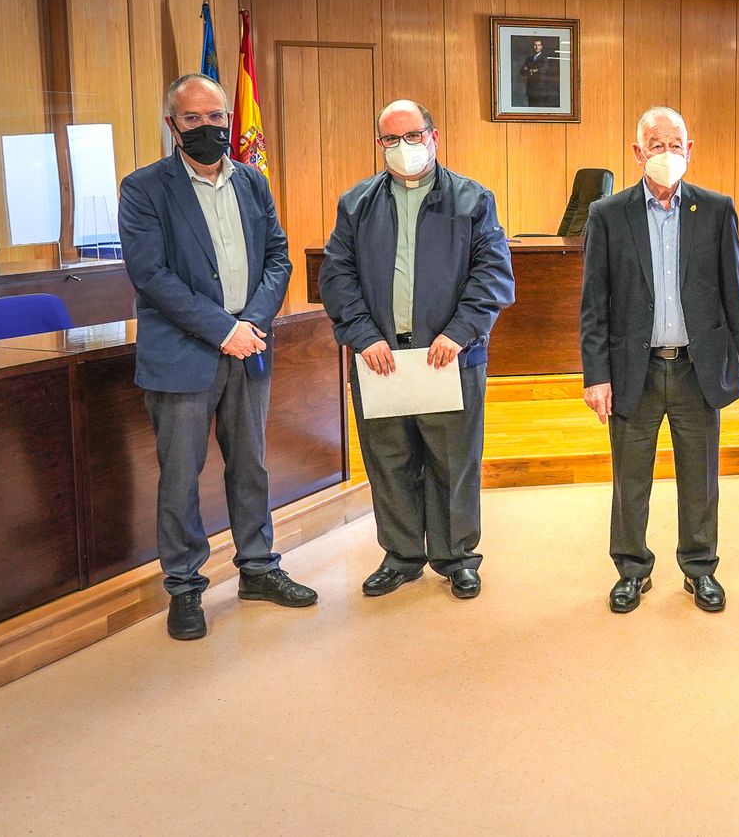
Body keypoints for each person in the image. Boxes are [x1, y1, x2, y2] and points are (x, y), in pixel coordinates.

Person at [118, 72, 316, 641]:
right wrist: (222, 328)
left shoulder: (252, 181)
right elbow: (150, 276)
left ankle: (258, 568)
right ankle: (184, 587)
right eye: (194, 119)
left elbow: (278, 255)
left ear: (230, 119)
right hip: (182, 354)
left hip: (248, 348)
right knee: (181, 477)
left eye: (216, 117)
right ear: (172, 125)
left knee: (251, 464)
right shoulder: (144, 188)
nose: (208, 127)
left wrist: (251, 322)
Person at [319, 100, 516, 600]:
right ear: (379, 144)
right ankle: (403, 554)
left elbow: (492, 275)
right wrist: (364, 336)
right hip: (381, 357)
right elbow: (336, 276)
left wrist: (460, 331)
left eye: (413, 136)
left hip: (449, 355)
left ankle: (457, 557)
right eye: (391, 139)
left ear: (434, 136)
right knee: (389, 458)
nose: (403, 147)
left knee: (454, 462)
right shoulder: (357, 203)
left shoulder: (473, 200)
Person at [580, 106, 739, 614]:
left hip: (698, 368)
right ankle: (632, 570)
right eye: (657, 145)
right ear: (638, 153)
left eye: (677, 144)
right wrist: (596, 376)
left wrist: (735, 364)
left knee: (701, 476)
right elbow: (594, 304)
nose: (668, 154)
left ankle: (699, 569)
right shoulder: (607, 214)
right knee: (631, 478)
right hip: (636, 369)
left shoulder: (717, 210)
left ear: (690, 150)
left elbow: (731, 292)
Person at [518, 38, 557, 107]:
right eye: (535, 45)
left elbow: (542, 71)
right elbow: (522, 72)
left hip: (541, 90)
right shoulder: (528, 58)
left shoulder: (545, 58)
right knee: (531, 110)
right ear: (533, 46)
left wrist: (529, 69)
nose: (536, 47)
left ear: (541, 47)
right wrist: (533, 70)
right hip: (530, 90)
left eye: (538, 45)